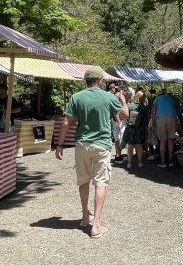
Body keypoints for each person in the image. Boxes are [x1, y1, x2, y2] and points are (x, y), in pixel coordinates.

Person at [55, 67, 128, 238]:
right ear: (100, 81)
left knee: (83, 181)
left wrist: (59, 145)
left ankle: (85, 216)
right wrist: (123, 99)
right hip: (102, 145)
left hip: (82, 144)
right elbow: (125, 114)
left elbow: (66, 122)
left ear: (85, 80)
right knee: (101, 182)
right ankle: (96, 226)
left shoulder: (77, 97)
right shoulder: (108, 97)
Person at [151, 87, 181, 168]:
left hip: (160, 118)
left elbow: (153, 109)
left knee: (163, 141)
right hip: (172, 117)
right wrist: (180, 123)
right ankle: (171, 162)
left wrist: (153, 120)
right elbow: (179, 112)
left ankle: (163, 162)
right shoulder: (173, 99)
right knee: (170, 140)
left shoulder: (158, 98)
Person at [123, 90, 149, 168]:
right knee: (139, 146)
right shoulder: (143, 107)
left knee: (130, 147)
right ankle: (140, 163)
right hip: (140, 129)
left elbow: (126, 116)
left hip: (130, 128)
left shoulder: (129, 105)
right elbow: (146, 119)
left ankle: (129, 163)